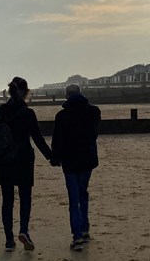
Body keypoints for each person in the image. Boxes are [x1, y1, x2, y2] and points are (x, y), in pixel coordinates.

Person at [0, 76, 52, 252]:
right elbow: (37, 138)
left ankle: (9, 240)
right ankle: (23, 231)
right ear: (26, 92)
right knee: (25, 198)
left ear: (9, 91)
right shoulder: (28, 113)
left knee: (7, 200)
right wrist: (51, 157)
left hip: (4, 161)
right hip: (24, 159)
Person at [50, 84, 101, 251]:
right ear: (81, 94)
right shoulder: (94, 112)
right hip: (87, 160)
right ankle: (85, 228)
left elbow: (57, 140)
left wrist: (54, 158)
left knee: (74, 198)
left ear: (66, 96)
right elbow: (94, 134)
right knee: (82, 193)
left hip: (70, 161)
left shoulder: (62, 116)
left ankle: (77, 236)